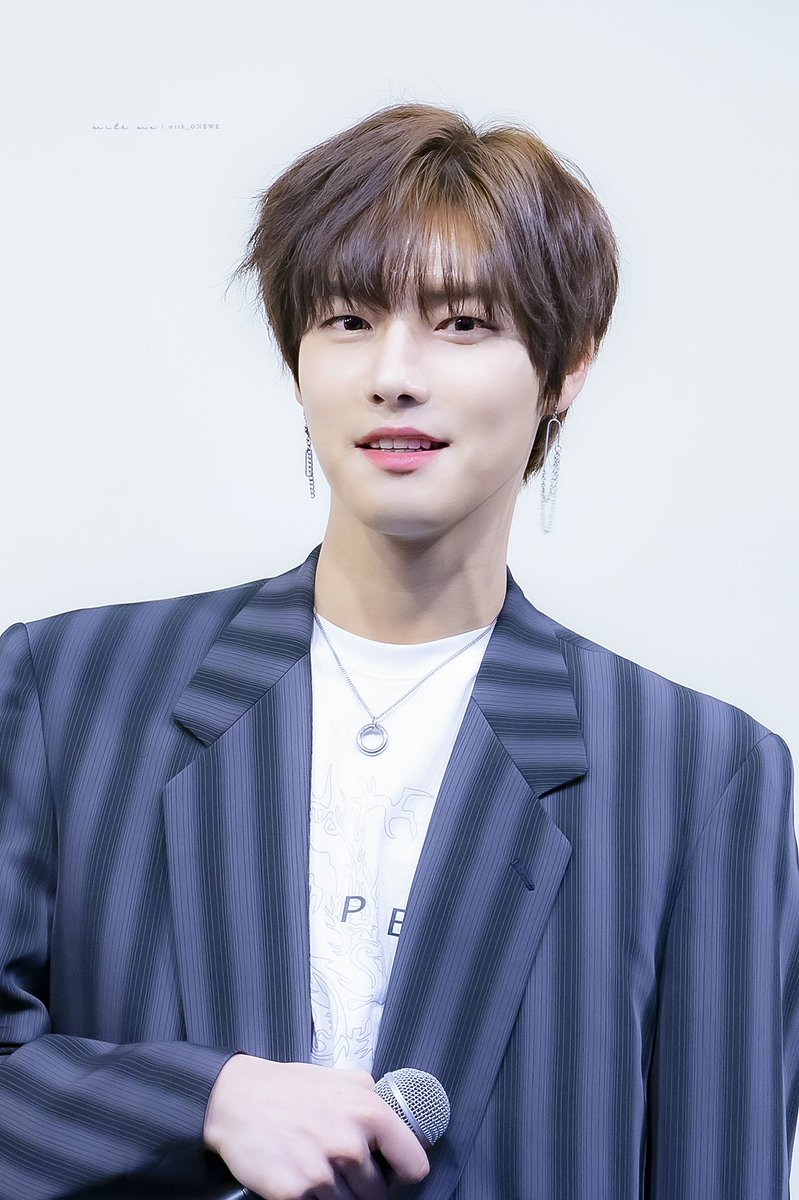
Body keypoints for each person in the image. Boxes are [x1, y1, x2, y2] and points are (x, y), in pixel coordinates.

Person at [0, 101, 797, 1200]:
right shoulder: (70, 695)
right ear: (296, 362)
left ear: (566, 367)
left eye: (462, 323)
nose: (394, 373)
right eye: (347, 319)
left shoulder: (702, 774)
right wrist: (206, 1099)